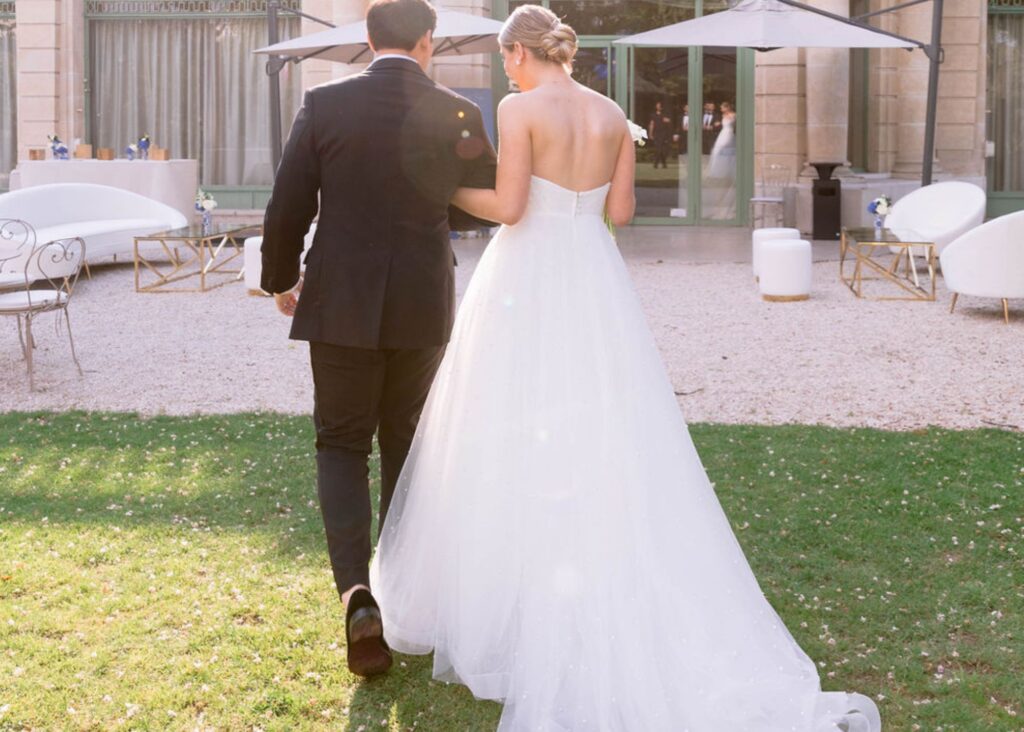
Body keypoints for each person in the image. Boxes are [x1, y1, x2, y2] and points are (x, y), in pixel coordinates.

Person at [371, 5, 881, 731]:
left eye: (503, 56)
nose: (503, 69)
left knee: (502, 419)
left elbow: (510, 207)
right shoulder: (611, 112)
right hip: (592, 274)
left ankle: (507, 603)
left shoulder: (519, 110)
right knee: (603, 421)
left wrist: (442, 190)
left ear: (519, 52)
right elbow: (622, 209)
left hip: (529, 276)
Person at [260, 0, 496, 679]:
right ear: (429, 42)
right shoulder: (458, 112)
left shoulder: (325, 106)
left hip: (339, 299)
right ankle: (403, 592)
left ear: (368, 40)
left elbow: (286, 204)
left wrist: (280, 279)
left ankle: (356, 594)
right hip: (423, 301)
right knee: (405, 442)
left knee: (339, 442)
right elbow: (480, 203)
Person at [648, 100, 673, 169]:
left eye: (659, 106)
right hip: (656, 134)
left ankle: (656, 164)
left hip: (663, 134)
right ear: (656, 107)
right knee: (658, 149)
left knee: (660, 149)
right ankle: (663, 164)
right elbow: (651, 124)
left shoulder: (664, 114)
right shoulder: (653, 115)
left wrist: (666, 120)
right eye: (657, 105)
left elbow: (669, 121)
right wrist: (650, 134)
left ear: (661, 107)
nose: (658, 107)